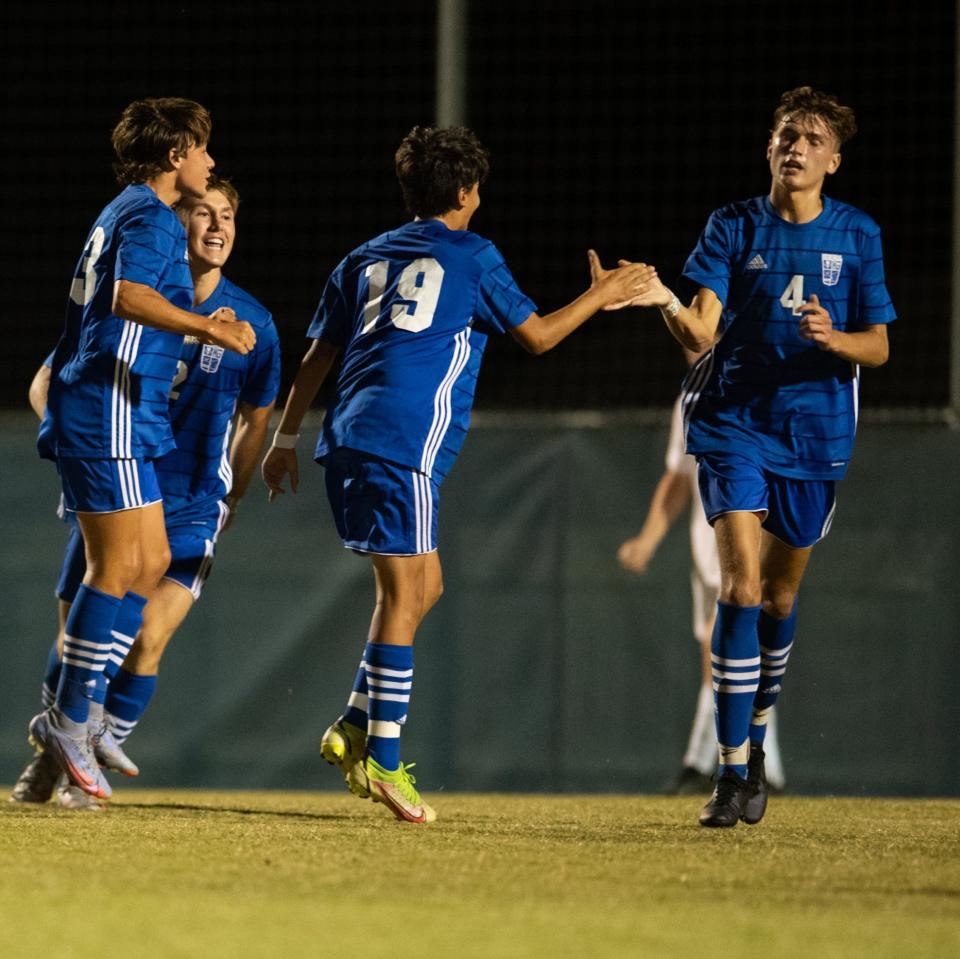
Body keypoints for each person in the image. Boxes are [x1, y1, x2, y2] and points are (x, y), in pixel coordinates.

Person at [262, 125, 654, 824]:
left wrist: (284, 439)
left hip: (351, 432)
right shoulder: (473, 254)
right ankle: (382, 756)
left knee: (421, 585)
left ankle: (354, 722)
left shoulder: (363, 255)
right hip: (402, 441)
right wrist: (604, 293)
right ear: (468, 192)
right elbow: (536, 337)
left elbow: (317, 356)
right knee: (406, 591)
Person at [620, 87, 894, 827]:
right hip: (733, 421)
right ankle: (732, 770)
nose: (796, 146)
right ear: (768, 148)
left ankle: (757, 740)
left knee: (778, 599)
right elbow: (699, 334)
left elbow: (881, 344)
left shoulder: (857, 234)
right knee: (738, 589)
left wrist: (835, 339)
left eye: (811, 138)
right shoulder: (732, 226)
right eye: (786, 134)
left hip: (816, 433)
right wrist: (663, 300)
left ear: (834, 159)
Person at [12, 177, 280, 809]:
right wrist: (82, 445)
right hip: (116, 479)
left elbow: (255, 418)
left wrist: (232, 496)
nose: (217, 226)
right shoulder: (139, 299)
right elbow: (50, 376)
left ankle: (87, 757)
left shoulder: (255, 323)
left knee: (147, 636)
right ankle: (60, 758)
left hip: (191, 498)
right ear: (175, 223)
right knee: (80, 638)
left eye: (228, 217)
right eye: (202, 213)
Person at [617, 349, 785, 795]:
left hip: (748, 547)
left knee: (729, 647)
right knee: (724, 658)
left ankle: (704, 763)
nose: (693, 342)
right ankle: (762, 768)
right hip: (706, 553)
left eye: (705, 324)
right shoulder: (690, 397)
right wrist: (648, 539)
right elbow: (678, 477)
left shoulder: (761, 386)